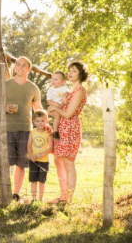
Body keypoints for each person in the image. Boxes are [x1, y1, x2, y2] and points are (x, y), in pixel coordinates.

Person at [47, 62, 88, 204]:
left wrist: (54, 108)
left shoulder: (80, 91)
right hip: (63, 127)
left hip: (70, 127)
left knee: (68, 163)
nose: (70, 73)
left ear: (80, 74)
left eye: (74, 71)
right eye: (69, 71)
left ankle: (68, 200)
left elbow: (69, 114)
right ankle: (63, 196)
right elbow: (61, 111)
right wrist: (54, 110)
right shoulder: (70, 91)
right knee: (59, 161)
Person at [5, 56, 44, 203]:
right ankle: (5, 192)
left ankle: (16, 194)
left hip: (25, 130)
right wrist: (4, 107)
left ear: (29, 69)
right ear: (15, 67)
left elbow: (38, 109)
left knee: (21, 164)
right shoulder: (6, 84)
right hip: (7, 129)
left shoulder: (33, 88)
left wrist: (46, 123)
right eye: (18, 64)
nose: (20, 67)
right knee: (7, 163)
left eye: (24, 65)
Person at [27, 109, 53, 202]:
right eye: (38, 121)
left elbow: (51, 148)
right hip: (33, 160)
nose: (40, 123)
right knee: (33, 180)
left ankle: (40, 199)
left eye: (43, 121)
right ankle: (34, 199)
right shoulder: (32, 132)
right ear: (34, 122)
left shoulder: (48, 133)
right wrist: (31, 156)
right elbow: (29, 145)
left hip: (44, 161)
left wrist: (41, 154)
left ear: (47, 121)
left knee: (42, 180)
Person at [47, 71, 69, 140]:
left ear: (62, 82)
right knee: (57, 116)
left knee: (60, 117)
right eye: (52, 79)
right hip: (55, 106)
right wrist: (55, 104)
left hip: (63, 108)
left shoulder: (64, 88)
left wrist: (64, 97)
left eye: (56, 79)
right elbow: (49, 101)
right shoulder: (50, 90)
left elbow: (67, 92)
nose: (53, 81)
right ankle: (55, 131)